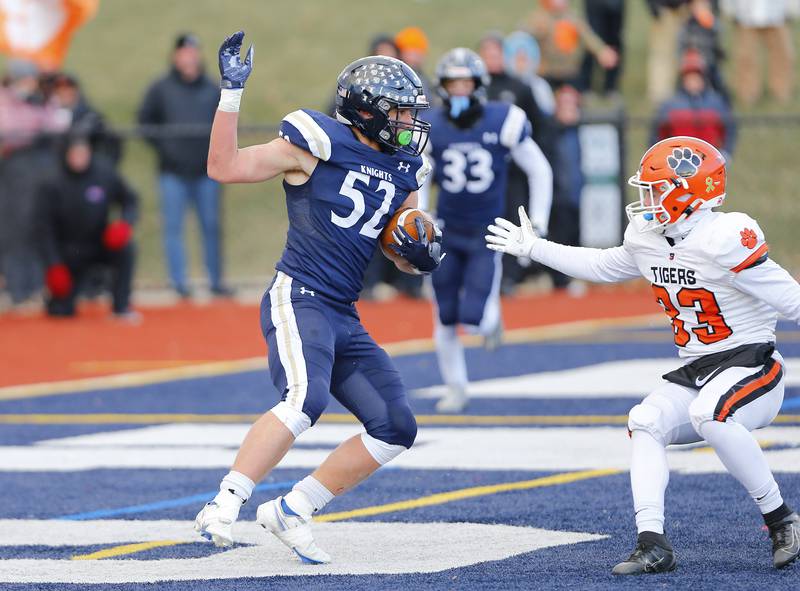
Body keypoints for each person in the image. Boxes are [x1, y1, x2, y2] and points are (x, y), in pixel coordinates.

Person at [486, 136, 800, 573]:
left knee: (712, 414)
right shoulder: (649, 237)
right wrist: (536, 248)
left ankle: (782, 518)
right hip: (698, 368)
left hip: (752, 364)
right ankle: (652, 542)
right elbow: (602, 266)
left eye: (656, 189)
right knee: (646, 421)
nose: (647, 200)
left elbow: (793, 301)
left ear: (689, 192)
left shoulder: (726, 236)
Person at [194, 31, 442, 564]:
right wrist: (230, 96)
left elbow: (396, 245)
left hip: (343, 311)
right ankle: (223, 503)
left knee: (396, 426)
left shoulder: (406, 170)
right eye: (399, 113)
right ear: (369, 112)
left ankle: (293, 509)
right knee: (304, 400)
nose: (409, 124)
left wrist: (418, 251)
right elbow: (224, 167)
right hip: (300, 295)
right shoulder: (316, 143)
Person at [420, 48, 552, 413]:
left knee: (474, 317)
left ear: (479, 85)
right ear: (442, 87)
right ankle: (456, 387)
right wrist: (420, 217)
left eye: (466, 82)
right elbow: (421, 177)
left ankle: (491, 321)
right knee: (444, 313)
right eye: (452, 82)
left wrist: (538, 221)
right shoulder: (432, 124)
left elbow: (539, 169)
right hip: (445, 229)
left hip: (485, 231)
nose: (460, 89)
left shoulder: (503, 118)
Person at [137, 33, 232, 299]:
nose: (189, 57)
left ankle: (216, 280)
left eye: (193, 52)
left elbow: (225, 122)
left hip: (207, 172)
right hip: (173, 172)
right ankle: (179, 283)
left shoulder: (212, 88)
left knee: (211, 226)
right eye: (184, 52)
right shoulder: (161, 88)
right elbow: (144, 121)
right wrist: (165, 148)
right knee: (174, 228)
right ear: (176, 56)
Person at [35, 132, 139, 319]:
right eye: (75, 153)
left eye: (83, 153)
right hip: (69, 253)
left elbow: (130, 200)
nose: (79, 158)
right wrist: (54, 265)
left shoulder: (104, 173)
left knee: (126, 250)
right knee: (61, 312)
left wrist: (124, 224)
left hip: (100, 243)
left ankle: (121, 306)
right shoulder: (52, 183)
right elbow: (44, 230)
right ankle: (56, 300)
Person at [651, 49, 736, 158]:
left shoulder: (716, 103)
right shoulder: (669, 105)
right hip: (679, 161)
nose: (693, 81)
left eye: (696, 77)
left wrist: (726, 152)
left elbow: (730, 129)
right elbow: (657, 135)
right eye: (689, 78)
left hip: (709, 160)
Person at [526, 0, 618, 89]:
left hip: (569, 72)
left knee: (571, 96)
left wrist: (601, 50)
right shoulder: (539, 19)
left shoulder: (573, 19)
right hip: (546, 72)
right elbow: (525, 36)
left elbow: (588, 36)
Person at [722, 0, 795, 106]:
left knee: (782, 55)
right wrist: (730, 9)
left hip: (777, 12)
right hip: (745, 13)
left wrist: (792, 8)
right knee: (746, 57)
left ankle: (781, 90)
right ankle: (747, 92)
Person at [394, 26, 434, 99]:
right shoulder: (394, 77)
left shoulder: (425, 81)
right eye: (409, 53)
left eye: (417, 53)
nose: (413, 58)